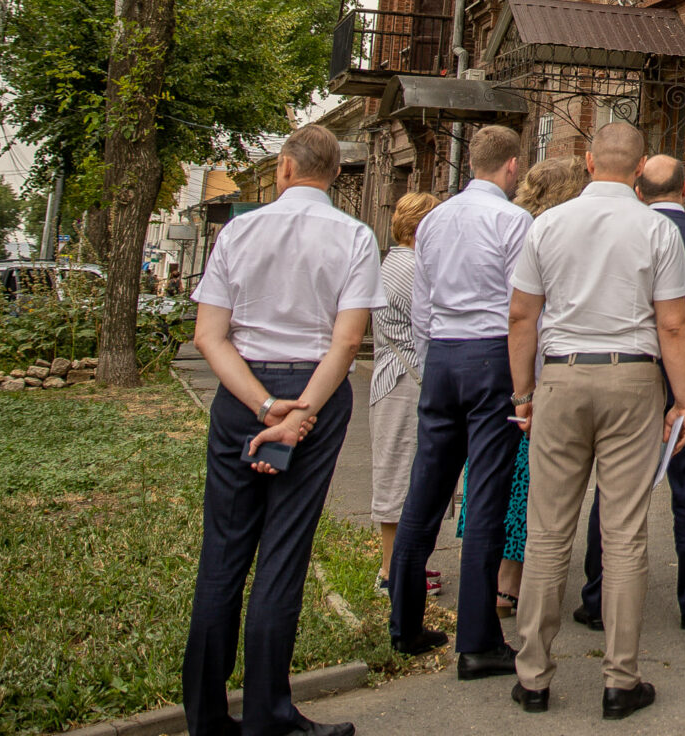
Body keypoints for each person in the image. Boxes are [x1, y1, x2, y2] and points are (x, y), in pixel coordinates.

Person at [181, 124, 383, 736]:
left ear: (284, 169)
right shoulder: (354, 237)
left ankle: (207, 718)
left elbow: (207, 336)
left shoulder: (239, 230)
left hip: (243, 389)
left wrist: (264, 404)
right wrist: (299, 414)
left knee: (224, 552)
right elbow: (348, 341)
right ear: (335, 174)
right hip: (315, 392)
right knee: (284, 552)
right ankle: (269, 712)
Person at [507, 122, 685, 718]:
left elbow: (520, 316)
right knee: (624, 534)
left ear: (589, 161)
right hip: (632, 377)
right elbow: (673, 323)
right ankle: (620, 679)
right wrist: (684, 400)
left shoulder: (546, 225)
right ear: (640, 167)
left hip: (561, 374)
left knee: (547, 533)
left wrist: (523, 394)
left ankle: (532, 674)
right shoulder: (656, 229)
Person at [572, 151, 685, 632]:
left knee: (616, 489)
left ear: (639, 191)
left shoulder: (623, 236)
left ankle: (595, 595)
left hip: (630, 374)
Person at [387, 125, 532, 678]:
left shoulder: (436, 219)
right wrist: (526, 386)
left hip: (443, 354)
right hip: (492, 353)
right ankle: (476, 641)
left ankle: (404, 623)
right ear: (512, 166)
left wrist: (433, 358)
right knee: (487, 494)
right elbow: (521, 308)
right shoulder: (512, 220)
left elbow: (422, 301)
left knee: (425, 490)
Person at [488, 156, 589, 614]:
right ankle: (512, 581)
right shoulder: (554, 233)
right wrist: (527, 391)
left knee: (495, 471)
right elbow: (531, 314)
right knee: (527, 479)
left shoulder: (514, 226)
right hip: (533, 369)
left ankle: (493, 573)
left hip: (493, 363)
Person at [370, 191, 441, 593]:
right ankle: (390, 570)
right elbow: (427, 325)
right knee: (399, 473)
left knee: (407, 471)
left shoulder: (397, 262)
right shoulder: (408, 267)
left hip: (399, 378)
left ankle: (402, 563)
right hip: (402, 380)